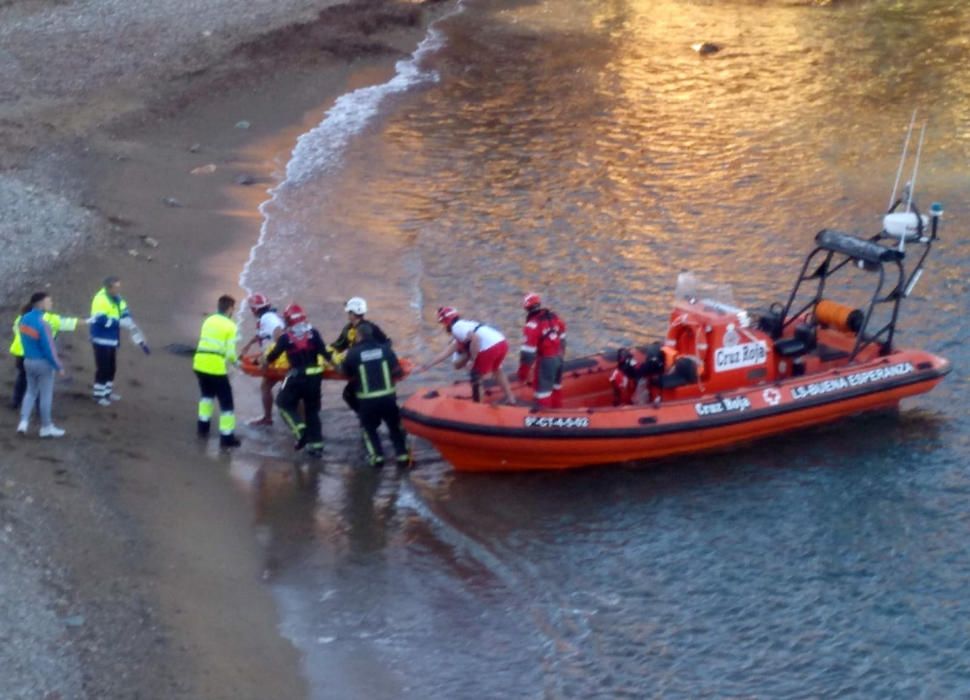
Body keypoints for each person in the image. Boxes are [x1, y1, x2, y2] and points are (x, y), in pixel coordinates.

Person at [263, 303, 331, 458]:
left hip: (296, 376)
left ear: (288, 321)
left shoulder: (286, 338)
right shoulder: (313, 333)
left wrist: (265, 364)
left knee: (283, 403)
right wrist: (339, 367)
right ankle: (317, 446)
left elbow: (273, 355)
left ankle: (301, 432)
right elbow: (326, 353)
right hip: (315, 378)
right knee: (312, 411)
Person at [341, 322, 410, 468]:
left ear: (358, 336)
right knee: (394, 427)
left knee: (369, 429)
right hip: (388, 398)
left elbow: (346, 373)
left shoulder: (353, 353)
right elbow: (398, 371)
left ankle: (377, 457)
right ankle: (402, 456)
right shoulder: (385, 350)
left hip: (367, 401)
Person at [419, 306, 516, 404]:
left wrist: (472, 360)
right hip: (502, 342)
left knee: (476, 377)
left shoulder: (456, 328)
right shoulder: (466, 325)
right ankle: (511, 398)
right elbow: (445, 354)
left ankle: (478, 408)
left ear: (446, 322)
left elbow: (475, 339)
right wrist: (427, 366)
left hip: (489, 347)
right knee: (497, 370)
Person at [89, 276, 149, 406]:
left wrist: (129, 322)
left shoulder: (117, 298)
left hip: (112, 339)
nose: (118, 289)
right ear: (109, 287)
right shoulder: (100, 300)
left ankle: (107, 392)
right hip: (101, 339)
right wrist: (119, 323)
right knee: (103, 368)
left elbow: (124, 311)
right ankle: (98, 395)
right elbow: (100, 319)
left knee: (112, 368)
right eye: (116, 287)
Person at [9, 302, 80, 410]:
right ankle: (40, 408)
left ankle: (15, 402)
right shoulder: (49, 319)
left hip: (21, 355)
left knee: (22, 378)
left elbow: (16, 331)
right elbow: (68, 323)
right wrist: (89, 321)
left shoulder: (20, 319)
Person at [192, 295, 241, 449]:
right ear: (230, 309)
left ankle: (202, 428)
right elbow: (230, 352)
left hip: (199, 363)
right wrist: (236, 363)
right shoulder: (231, 326)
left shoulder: (208, 320)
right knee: (227, 403)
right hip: (215, 367)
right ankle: (227, 438)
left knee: (206, 396)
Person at [16, 292, 66, 438]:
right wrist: (58, 366)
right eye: (48, 301)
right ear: (40, 304)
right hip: (43, 364)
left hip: (28, 361)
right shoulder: (43, 324)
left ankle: (23, 422)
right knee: (45, 395)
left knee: (30, 392)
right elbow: (49, 349)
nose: (51, 303)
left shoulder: (23, 319)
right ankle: (46, 427)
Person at [330, 296, 391, 414]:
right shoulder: (349, 329)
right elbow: (338, 345)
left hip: (367, 369)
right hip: (360, 367)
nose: (348, 315)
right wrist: (325, 352)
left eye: (349, 312)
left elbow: (386, 344)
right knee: (350, 394)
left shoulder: (369, 328)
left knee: (350, 394)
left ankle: (367, 418)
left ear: (353, 314)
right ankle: (368, 417)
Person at [239, 293, 285, 426]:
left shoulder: (268, 318)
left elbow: (278, 333)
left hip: (279, 360)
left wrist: (272, 355)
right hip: (277, 358)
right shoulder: (267, 317)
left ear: (254, 309)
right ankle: (268, 417)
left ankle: (269, 418)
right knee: (268, 386)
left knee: (287, 389)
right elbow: (262, 335)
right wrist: (248, 345)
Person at [516, 292, 567, 408]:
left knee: (542, 394)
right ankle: (558, 413)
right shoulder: (554, 317)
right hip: (558, 358)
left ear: (526, 308)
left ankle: (545, 421)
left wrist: (522, 375)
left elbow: (527, 355)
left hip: (546, 361)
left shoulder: (532, 326)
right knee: (556, 388)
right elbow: (563, 337)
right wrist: (560, 354)